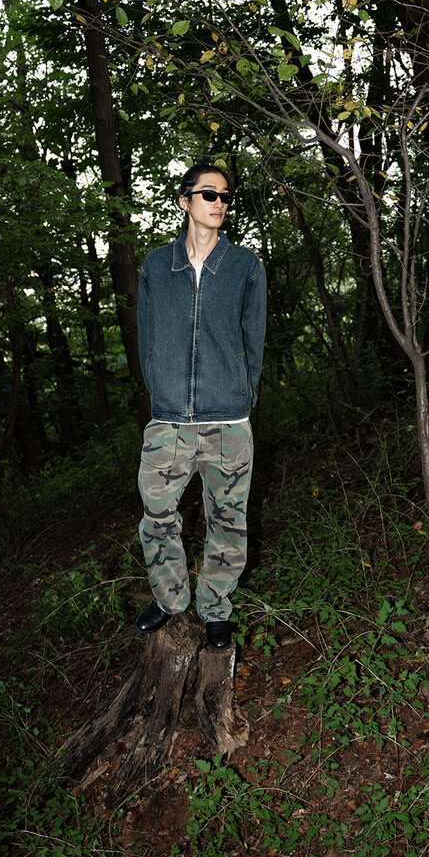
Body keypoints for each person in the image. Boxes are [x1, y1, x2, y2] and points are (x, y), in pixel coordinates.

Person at [134, 164, 267, 650]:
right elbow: (147, 339)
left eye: (226, 196)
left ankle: (215, 607)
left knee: (228, 519)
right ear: (185, 200)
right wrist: (161, 388)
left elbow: (254, 339)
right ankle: (170, 599)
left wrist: (241, 393)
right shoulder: (156, 266)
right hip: (168, 420)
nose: (219, 203)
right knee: (157, 514)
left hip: (228, 420)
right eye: (209, 193)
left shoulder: (245, 266)